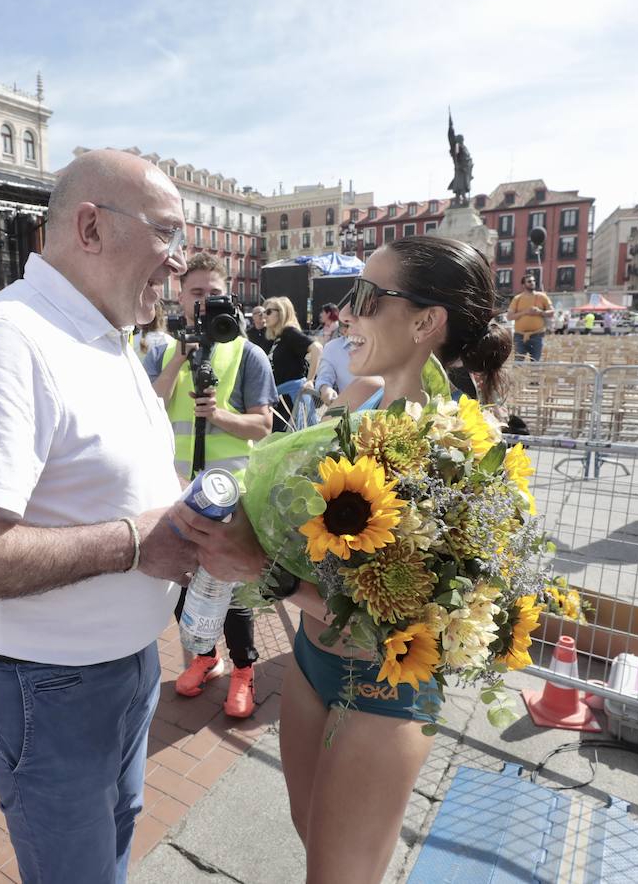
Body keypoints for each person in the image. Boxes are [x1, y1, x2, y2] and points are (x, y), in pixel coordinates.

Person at [0, 149, 202, 884]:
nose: (179, 263)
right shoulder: (9, 343)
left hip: (118, 668)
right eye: (167, 235)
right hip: (47, 691)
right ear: (91, 228)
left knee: (112, 847)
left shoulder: (107, 333)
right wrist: (136, 543)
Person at [169, 235, 513, 884]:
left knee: (336, 875)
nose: (345, 314)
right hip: (311, 662)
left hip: (385, 692)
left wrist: (266, 570)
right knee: (311, 835)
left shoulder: (460, 447)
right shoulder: (365, 398)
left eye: (365, 297)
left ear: (425, 321)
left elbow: (403, 621)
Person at [143, 251, 275, 719]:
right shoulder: (161, 351)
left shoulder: (249, 352)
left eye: (214, 294)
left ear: (229, 297)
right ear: (180, 297)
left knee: (231, 588)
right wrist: (177, 360)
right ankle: (205, 658)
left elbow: (263, 426)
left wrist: (218, 414)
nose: (205, 302)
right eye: (196, 293)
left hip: (230, 495)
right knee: (181, 580)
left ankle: (244, 668)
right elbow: (145, 410)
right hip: (174, 490)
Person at [264, 296, 320, 432]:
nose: (265, 315)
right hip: (283, 399)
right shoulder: (280, 337)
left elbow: (317, 348)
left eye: (269, 312)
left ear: (281, 312)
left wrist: (310, 380)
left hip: (293, 398)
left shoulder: (289, 332)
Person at [505, 273, 553, 361]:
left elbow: (552, 312)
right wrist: (525, 312)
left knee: (536, 363)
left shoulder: (542, 297)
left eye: (534, 281)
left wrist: (540, 312)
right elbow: (509, 316)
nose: (532, 283)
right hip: (519, 336)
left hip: (537, 335)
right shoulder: (517, 298)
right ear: (523, 284)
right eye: (529, 281)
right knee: (518, 362)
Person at [314, 318, 356, 406]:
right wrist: (325, 389)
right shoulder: (332, 347)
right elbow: (324, 378)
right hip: (350, 410)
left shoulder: (381, 344)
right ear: (343, 330)